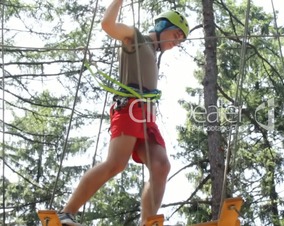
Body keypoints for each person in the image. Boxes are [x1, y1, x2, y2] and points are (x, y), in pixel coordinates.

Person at [57, 0, 189, 225]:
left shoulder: (152, 52)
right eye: (176, 35)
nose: (177, 42)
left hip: (146, 115)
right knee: (116, 163)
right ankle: (66, 212)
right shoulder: (136, 38)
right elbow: (108, 25)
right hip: (128, 107)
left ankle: (147, 221)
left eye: (181, 39)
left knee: (161, 165)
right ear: (162, 26)